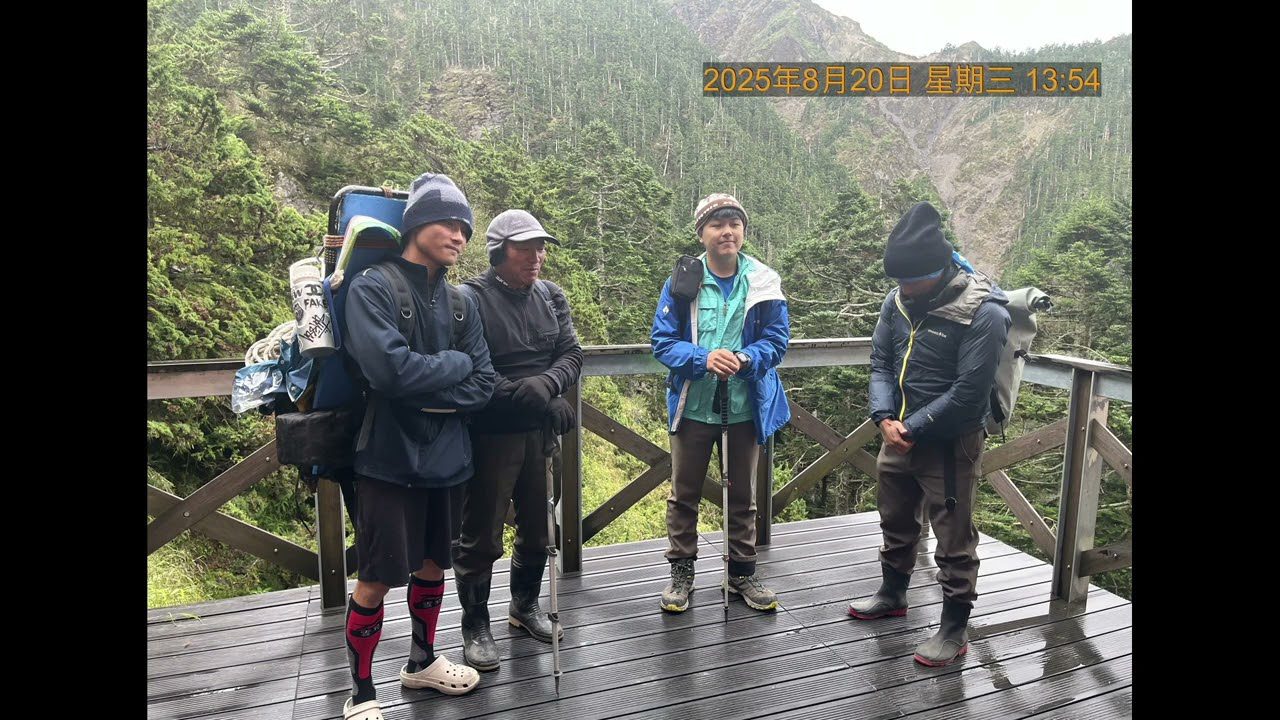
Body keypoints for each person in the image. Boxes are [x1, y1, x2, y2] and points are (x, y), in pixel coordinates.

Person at [339, 172, 497, 720]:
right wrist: (453, 365)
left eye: (465, 228)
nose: (459, 235)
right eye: (448, 223)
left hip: (449, 459)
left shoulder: (461, 302)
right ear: (416, 224)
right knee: (376, 577)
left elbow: (483, 383)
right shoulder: (372, 287)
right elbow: (387, 372)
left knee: (434, 566)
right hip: (388, 458)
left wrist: (423, 387)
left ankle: (422, 662)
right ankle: (361, 693)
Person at [848, 201, 1011, 667]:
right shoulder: (898, 301)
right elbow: (881, 362)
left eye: (911, 280)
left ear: (939, 271)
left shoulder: (985, 312)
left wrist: (912, 427)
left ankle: (954, 628)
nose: (903, 289)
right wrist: (883, 417)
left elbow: (969, 392)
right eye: (897, 280)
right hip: (897, 432)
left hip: (949, 443)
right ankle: (892, 593)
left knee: (953, 536)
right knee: (895, 517)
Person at [452, 209, 583, 671]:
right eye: (524, 248)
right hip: (490, 435)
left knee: (540, 527)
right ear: (498, 251)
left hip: (539, 434)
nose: (536, 257)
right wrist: (537, 398)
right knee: (481, 534)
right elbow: (474, 371)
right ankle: (475, 625)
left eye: (540, 248)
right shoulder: (469, 299)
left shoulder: (551, 295)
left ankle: (523, 606)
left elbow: (571, 353)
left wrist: (548, 385)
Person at [650, 192, 791, 613]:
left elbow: (777, 340)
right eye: (717, 224)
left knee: (743, 495)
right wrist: (703, 358)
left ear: (743, 230)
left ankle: (741, 573)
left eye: (734, 224)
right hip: (693, 406)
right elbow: (662, 342)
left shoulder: (763, 280)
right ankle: (681, 573)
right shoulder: (683, 281)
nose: (727, 231)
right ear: (702, 233)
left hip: (746, 406)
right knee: (684, 494)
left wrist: (746, 359)